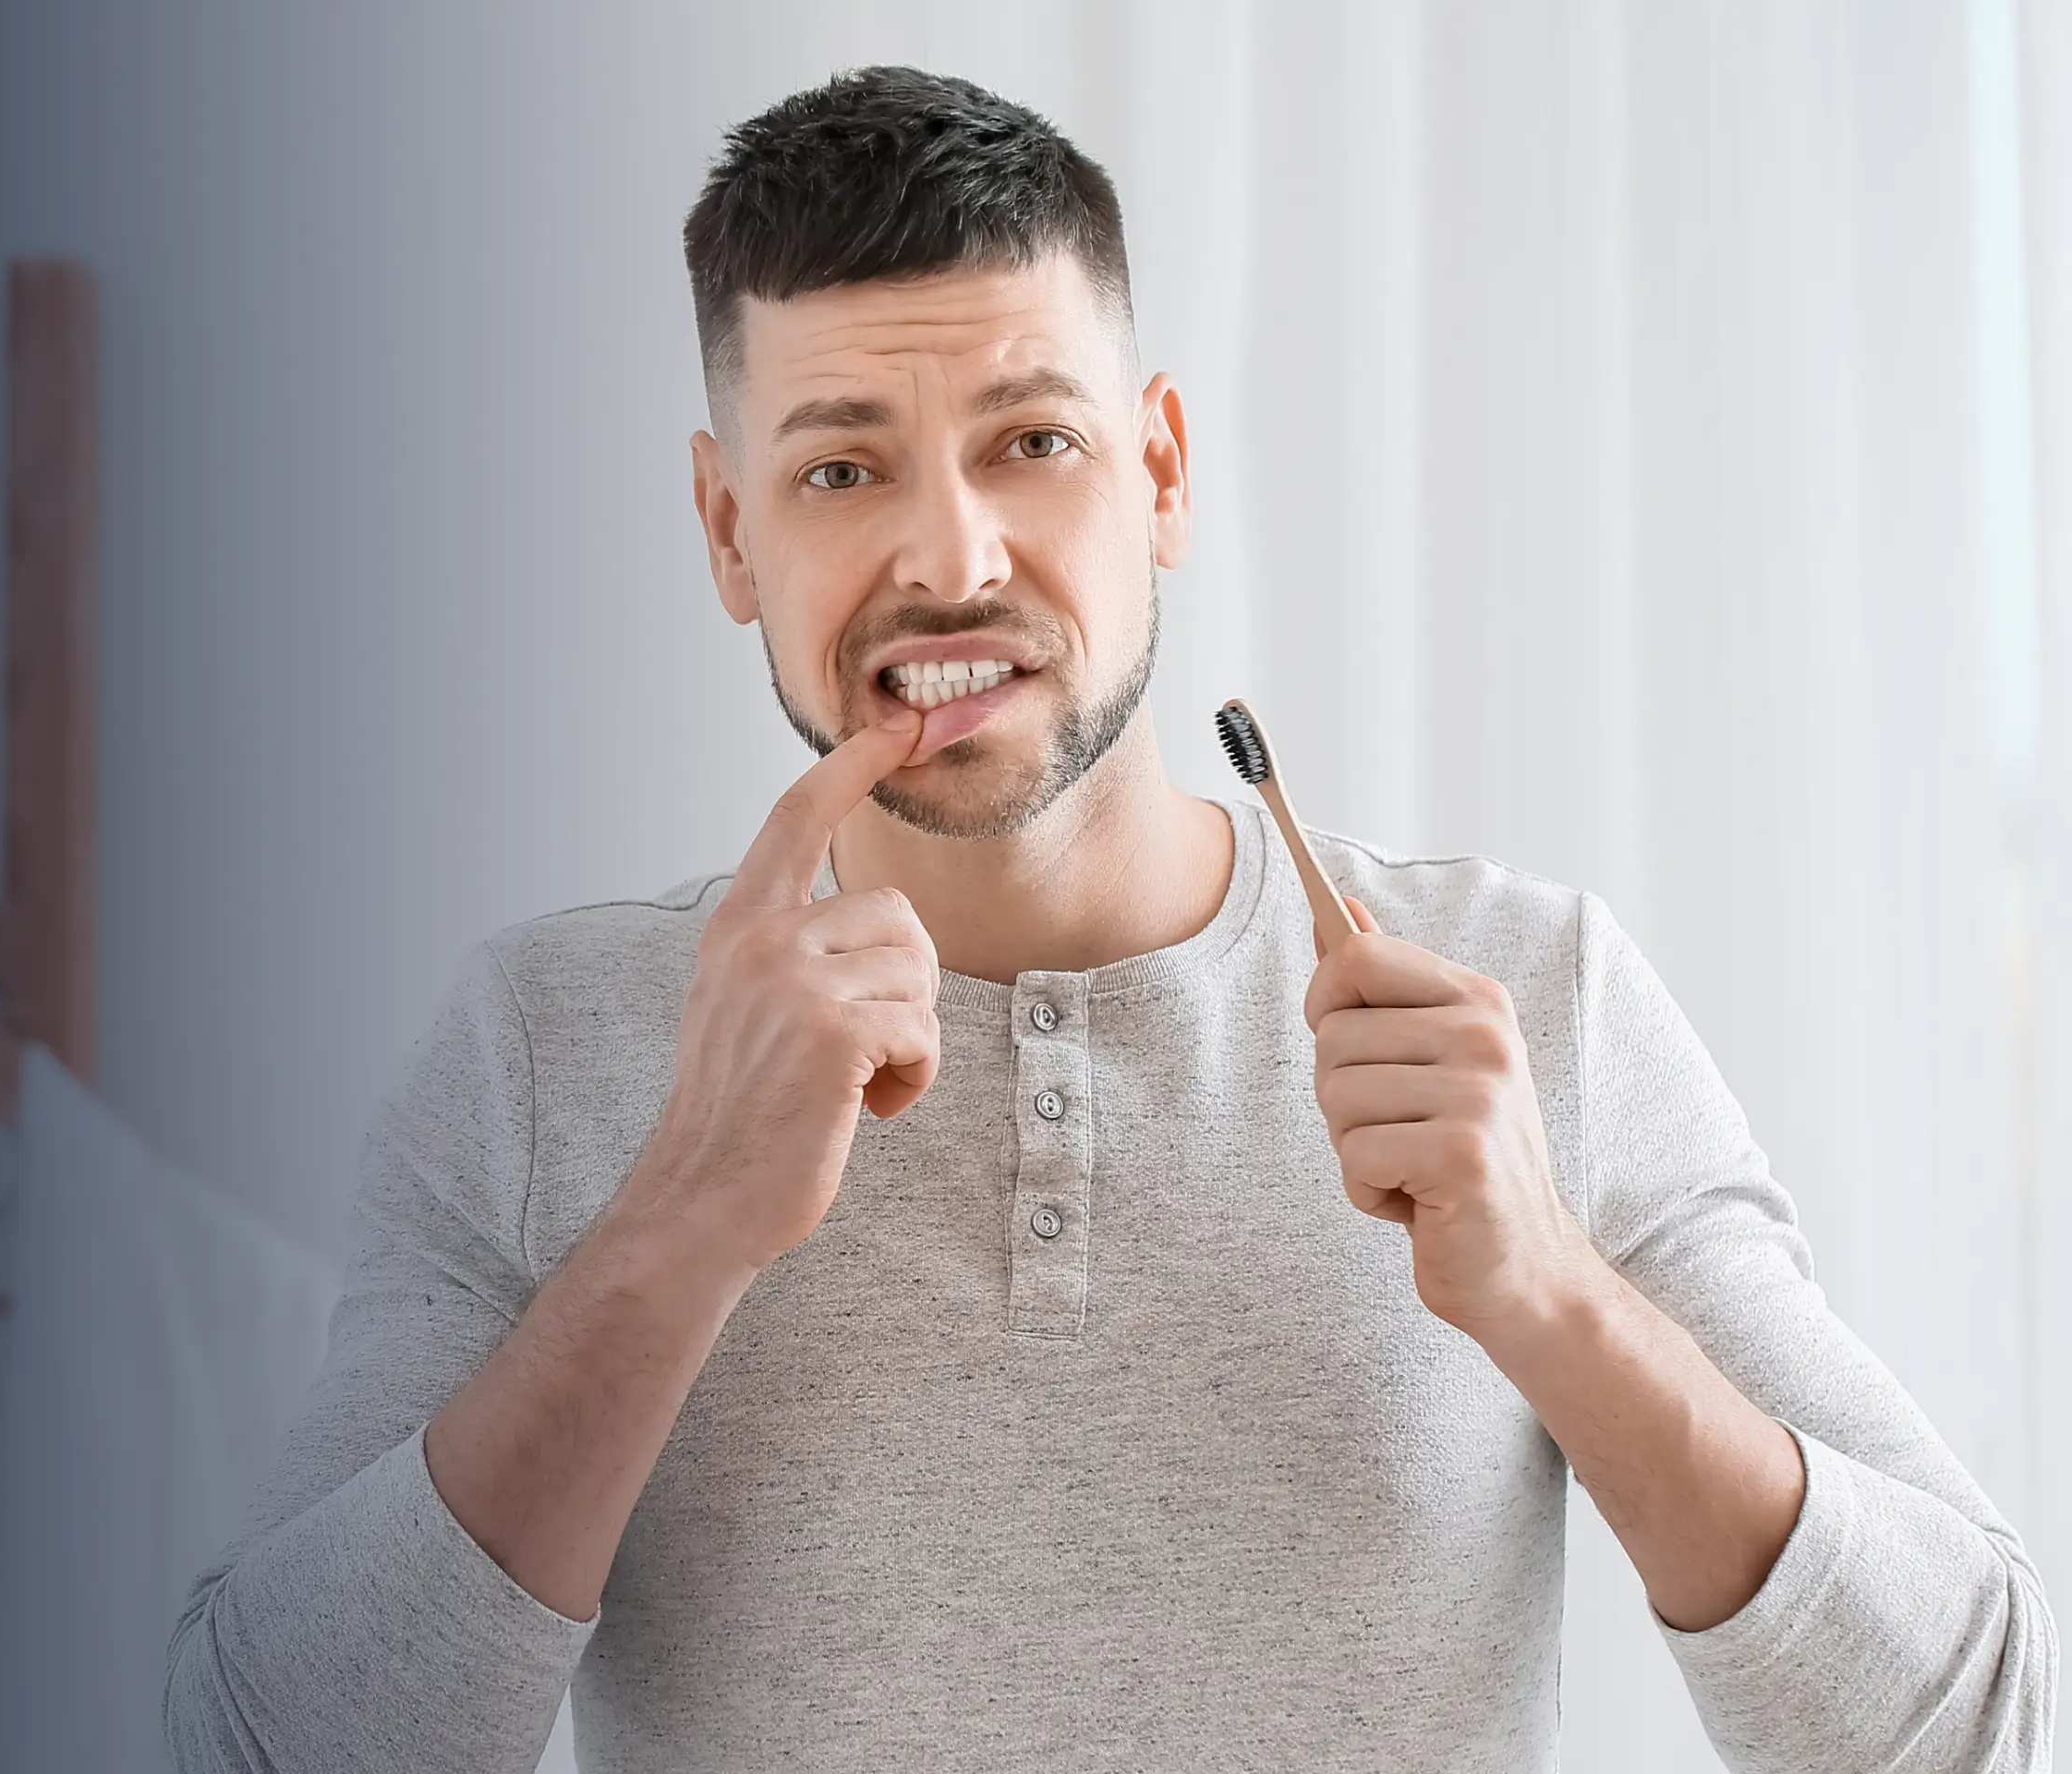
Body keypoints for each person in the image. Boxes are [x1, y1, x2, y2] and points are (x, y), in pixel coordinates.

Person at [164, 65, 2055, 1772]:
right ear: (730, 532)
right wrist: (674, 1231)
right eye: (840, 468)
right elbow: (259, 1748)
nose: (951, 556)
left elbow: (1974, 1724)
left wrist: (1556, 1298)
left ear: (1158, 470)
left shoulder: (1530, 999)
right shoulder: (536, 1049)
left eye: (1033, 443)